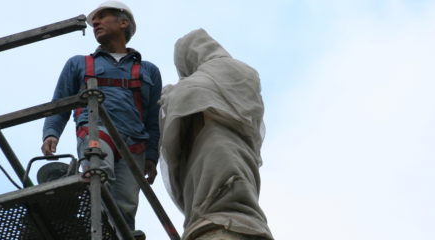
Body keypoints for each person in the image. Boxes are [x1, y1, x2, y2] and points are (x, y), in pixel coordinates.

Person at [41, 0, 161, 235]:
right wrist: (51, 133)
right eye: (94, 20)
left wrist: (152, 156)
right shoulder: (79, 63)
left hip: (134, 142)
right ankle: (95, 230)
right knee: (99, 177)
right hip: (96, 128)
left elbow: (153, 119)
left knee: (126, 203)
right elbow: (59, 103)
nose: (95, 22)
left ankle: (119, 235)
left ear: (123, 22)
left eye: (103, 17)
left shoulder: (148, 70)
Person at [158, 29, 274, 240]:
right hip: (234, 148)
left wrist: (169, 96)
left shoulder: (215, 72)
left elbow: (190, 96)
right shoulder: (244, 72)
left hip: (215, 144)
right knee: (235, 188)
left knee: (217, 194)